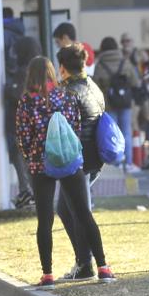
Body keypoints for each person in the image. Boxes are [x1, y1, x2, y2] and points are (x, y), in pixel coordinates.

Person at [15, 56, 116, 290]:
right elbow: (76, 126)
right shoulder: (66, 96)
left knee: (45, 221)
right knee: (84, 214)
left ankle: (47, 274)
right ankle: (103, 268)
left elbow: (22, 136)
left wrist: (32, 156)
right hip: (70, 163)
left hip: (41, 166)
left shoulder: (27, 102)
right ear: (52, 73)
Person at [57, 44, 108, 281]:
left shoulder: (67, 91)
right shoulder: (93, 86)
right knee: (69, 209)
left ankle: (86, 263)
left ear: (62, 67)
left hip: (77, 160)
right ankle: (84, 261)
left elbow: (63, 128)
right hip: (94, 157)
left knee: (78, 212)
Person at [93, 37, 141, 173]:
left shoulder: (100, 64)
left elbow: (95, 85)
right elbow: (135, 82)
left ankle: (116, 163)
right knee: (126, 131)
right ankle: (129, 163)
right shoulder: (125, 62)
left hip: (108, 104)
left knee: (111, 134)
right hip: (125, 102)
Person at [4, 36, 41, 208]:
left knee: (21, 159)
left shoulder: (23, 72)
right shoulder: (40, 69)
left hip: (20, 124)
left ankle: (27, 193)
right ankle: (33, 193)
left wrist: (6, 88)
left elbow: (17, 94)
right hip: (37, 123)